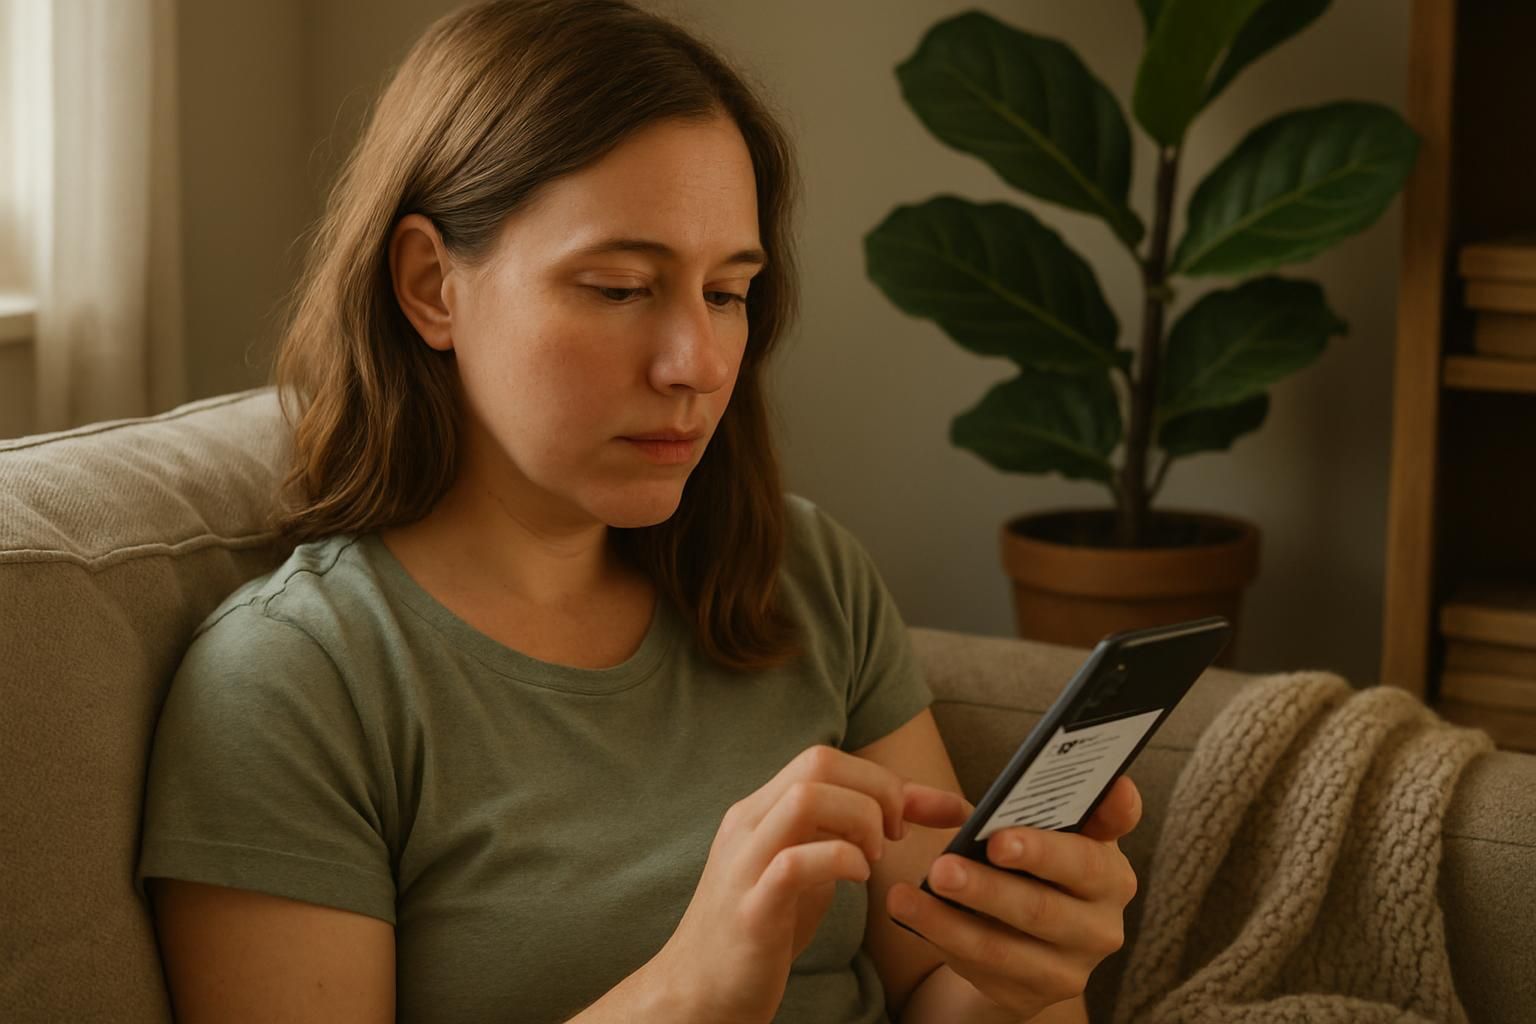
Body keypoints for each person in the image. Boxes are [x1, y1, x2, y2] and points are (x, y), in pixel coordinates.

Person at [133, 2, 1142, 1022]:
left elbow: (936, 985)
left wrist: (1025, 973)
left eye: (727, 293)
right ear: (431, 285)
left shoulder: (804, 573)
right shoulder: (293, 686)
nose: (696, 366)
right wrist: (688, 991)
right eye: (619, 288)